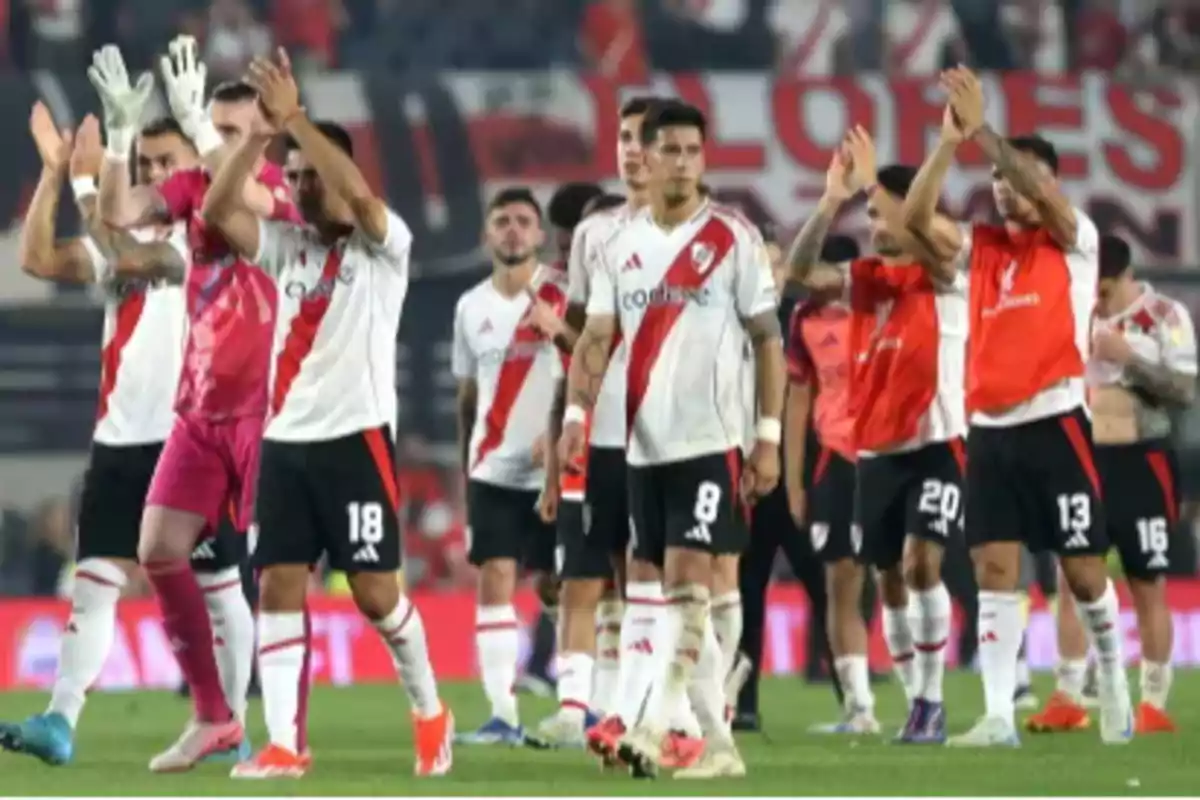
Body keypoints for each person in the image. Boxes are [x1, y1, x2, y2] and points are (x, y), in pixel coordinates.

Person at [198, 50, 454, 777]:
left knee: (377, 594)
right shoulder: (285, 247)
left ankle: (430, 709)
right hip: (285, 444)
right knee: (277, 583)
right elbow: (219, 210)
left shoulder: (385, 248)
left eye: (316, 174)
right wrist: (259, 137)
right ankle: (285, 744)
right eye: (298, 176)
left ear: (344, 176)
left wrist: (301, 122)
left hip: (357, 441)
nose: (304, 187)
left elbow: (364, 204)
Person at [0, 104, 251, 767]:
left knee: (221, 587)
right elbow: (38, 259)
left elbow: (125, 253)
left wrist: (90, 185)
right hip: (118, 441)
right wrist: (56, 174)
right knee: (94, 586)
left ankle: (235, 722)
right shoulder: (126, 242)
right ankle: (59, 721)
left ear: (194, 169)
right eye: (143, 165)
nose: (153, 174)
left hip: (191, 438)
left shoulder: (202, 236)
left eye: (166, 162)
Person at [903, 65, 1133, 746]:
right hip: (991, 431)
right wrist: (950, 145)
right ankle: (999, 713)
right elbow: (917, 219)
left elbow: (1037, 190)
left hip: (1057, 424)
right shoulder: (981, 248)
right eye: (997, 179)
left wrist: (986, 135)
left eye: (1017, 177)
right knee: (993, 572)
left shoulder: (1077, 241)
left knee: (1083, 568)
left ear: (1050, 183)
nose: (1004, 187)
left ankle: (1112, 680)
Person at [88, 37, 302, 770]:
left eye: (235, 132)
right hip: (200, 407)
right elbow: (119, 213)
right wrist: (120, 135)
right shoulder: (194, 189)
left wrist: (212, 139)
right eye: (214, 127)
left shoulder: (285, 189)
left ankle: (285, 736)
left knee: (279, 572)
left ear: (262, 135)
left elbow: (232, 212)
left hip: (272, 409)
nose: (222, 142)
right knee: (159, 552)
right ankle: (214, 716)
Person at [561, 100, 785, 779]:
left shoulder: (733, 238)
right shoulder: (617, 245)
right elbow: (597, 338)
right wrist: (576, 418)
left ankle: (658, 724)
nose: (685, 162)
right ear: (647, 159)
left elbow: (767, 340)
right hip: (641, 447)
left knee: (689, 583)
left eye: (695, 151)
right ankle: (719, 745)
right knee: (658, 590)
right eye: (673, 151)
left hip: (709, 440)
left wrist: (767, 437)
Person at [790, 126, 967, 743]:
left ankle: (932, 701)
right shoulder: (863, 278)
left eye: (877, 206)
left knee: (923, 566)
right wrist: (831, 199)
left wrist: (884, 184)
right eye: (867, 211)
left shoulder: (947, 275)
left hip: (938, 444)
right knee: (889, 581)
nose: (871, 217)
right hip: (875, 451)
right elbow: (800, 270)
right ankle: (915, 701)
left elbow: (928, 231)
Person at [572, 96, 705, 772]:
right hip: (608, 430)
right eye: (621, 137)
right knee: (629, 578)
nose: (629, 149)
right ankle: (650, 715)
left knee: (676, 575)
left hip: (681, 431)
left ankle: (670, 717)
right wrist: (572, 413)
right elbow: (586, 336)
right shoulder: (595, 236)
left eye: (640, 139)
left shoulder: (702, 235)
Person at [1027, 234, 1195, 736]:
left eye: (1102, 291)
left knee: (1147, 581)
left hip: (1143, 462)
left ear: (1124, 278)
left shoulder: (1164, 316)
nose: (1095, 302)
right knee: (1072, 574)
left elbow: (1185, 390)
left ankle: (1154, 704)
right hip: (1084, 458)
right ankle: (1068, 695)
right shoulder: (1074, 308)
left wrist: (1130, 357)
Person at [452, 187, 563, 745]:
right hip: (491, 469)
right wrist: (464, 471)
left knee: (558, 587)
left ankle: (583, 703)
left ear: (540, 235)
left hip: (555, 472)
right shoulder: (469, 308)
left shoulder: (563, 295)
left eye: (524, 221)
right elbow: (468, 397)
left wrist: (564, 434)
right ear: (487, 234)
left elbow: (594, 369)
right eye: (503, 221)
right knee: (495, 577)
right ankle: (503, 714)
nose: (514, 230)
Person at [734, 226, 844, 732]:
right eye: (762, 264)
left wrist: (801, 481)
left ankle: (853, 698)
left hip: (800, 476)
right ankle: (744, 703)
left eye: (779, 265)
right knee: (747, 591)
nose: (771, 274)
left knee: (827, 589)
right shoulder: (734, 323)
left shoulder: (803, 320)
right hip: (752, 476)